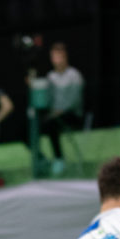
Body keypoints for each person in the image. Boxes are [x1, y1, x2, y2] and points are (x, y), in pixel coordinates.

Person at [42, 42, 85, 174]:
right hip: (54, 116)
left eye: (59, 56)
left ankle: (59, 158)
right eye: (54, 56)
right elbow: (47, 99)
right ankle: (41, 159)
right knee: (35, 125)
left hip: (72, 115)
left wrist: (60, 111)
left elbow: (75, 100)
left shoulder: (74, 75)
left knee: (51, 123)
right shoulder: (50, 77)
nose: (57, 59)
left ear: (65, 57)